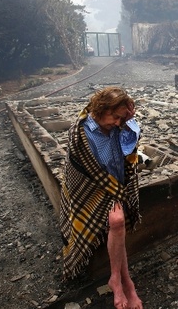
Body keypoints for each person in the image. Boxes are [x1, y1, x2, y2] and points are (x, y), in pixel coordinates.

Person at [59, 86, 143, 309]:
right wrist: (111, 190)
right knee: (117, 221)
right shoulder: (82, 132)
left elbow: (131, 148)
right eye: (115, 117)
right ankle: (123, 281)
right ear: (101, 108)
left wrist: (128, 120)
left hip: (116, 183)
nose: (117, 122)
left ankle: (120, 279)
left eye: (120, 117)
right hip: (92, 187)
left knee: (119, 222)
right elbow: (82, 170)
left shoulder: (119, 125)